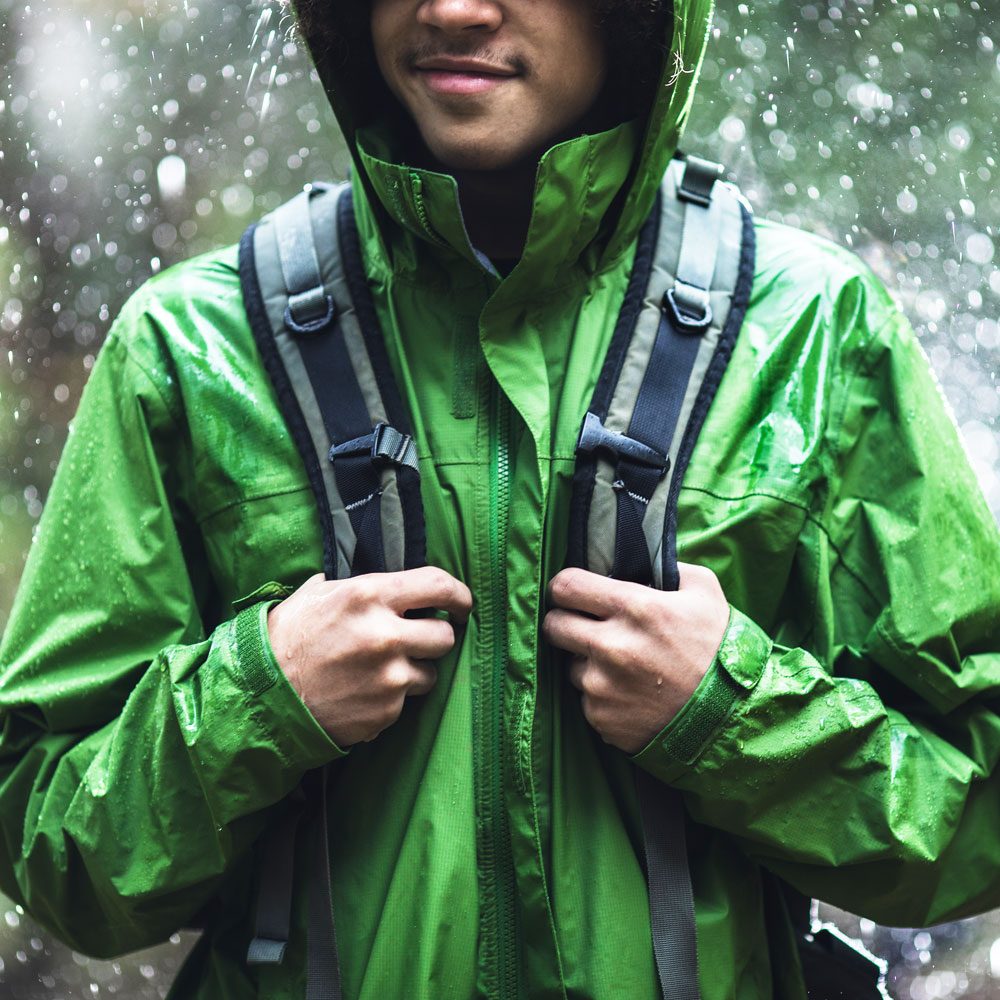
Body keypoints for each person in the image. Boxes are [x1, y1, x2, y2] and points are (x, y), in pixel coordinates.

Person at [1, 1, 999, 998]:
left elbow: (976, 816)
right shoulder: (192, 348)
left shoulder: (810, 331)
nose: (450, 9)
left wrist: (726, 713)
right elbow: (53, 851)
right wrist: (259, 699)